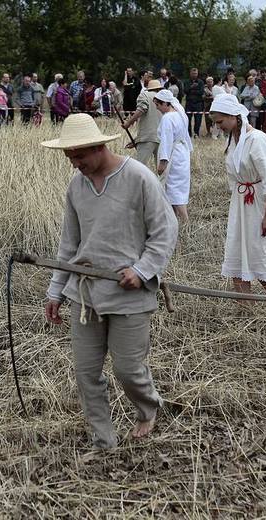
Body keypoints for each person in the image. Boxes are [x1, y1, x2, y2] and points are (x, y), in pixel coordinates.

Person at [41, 113, 178, 450]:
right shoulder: (77, 187)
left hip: (128, 293)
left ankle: (148, 408)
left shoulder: (138, 177)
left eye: (79, 156)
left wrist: (143, 270)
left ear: (99, 147)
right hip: (85, 295)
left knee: (128, 368)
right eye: (69, 157)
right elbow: (69, 245)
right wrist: (56, 291)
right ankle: (104, 439)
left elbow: (165, 230)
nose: (75, 164)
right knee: (87, 373)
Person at [210, 94, 266, 298]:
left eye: (220, 122)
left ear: (234, 116)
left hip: (259, 202)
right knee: (237, 250)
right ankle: (245, 305)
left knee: (259, 251)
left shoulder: (257, 139)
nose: (218, 126)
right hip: (240, 202)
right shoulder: (233, 139)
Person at [154, 89, 193, 222]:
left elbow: (166, 141)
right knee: (178, 186)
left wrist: (162, 163)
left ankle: (184, 220)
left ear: (165, 103)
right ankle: (175, 219)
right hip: (182, 152)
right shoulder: (180, 113)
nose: (157, 108)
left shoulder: (167, 118)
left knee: (173, 187)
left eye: (158, 105)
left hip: (173, 155)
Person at [122, 79, 163, 169]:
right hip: (161, 138)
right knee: (161, 170)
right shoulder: (163, 100)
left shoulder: (144, 95)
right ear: (159, 88)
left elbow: (142, 109)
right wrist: (137, 140)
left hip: (147, 138)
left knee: (140, 168)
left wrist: (128, 122)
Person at [184, 68, 205, 137]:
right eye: (193, 73)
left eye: (195, 73)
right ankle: (188, 134)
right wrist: (191, 87)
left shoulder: (201, 82)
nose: (194, 75)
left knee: (198, 119)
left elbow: (201, 92)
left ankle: (196, 133)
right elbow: (185, 91)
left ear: (197, 74)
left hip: (198, 103)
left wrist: (192, 91)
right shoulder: (186, 82)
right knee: (187, 119)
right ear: (190, 74)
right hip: (189, 103)